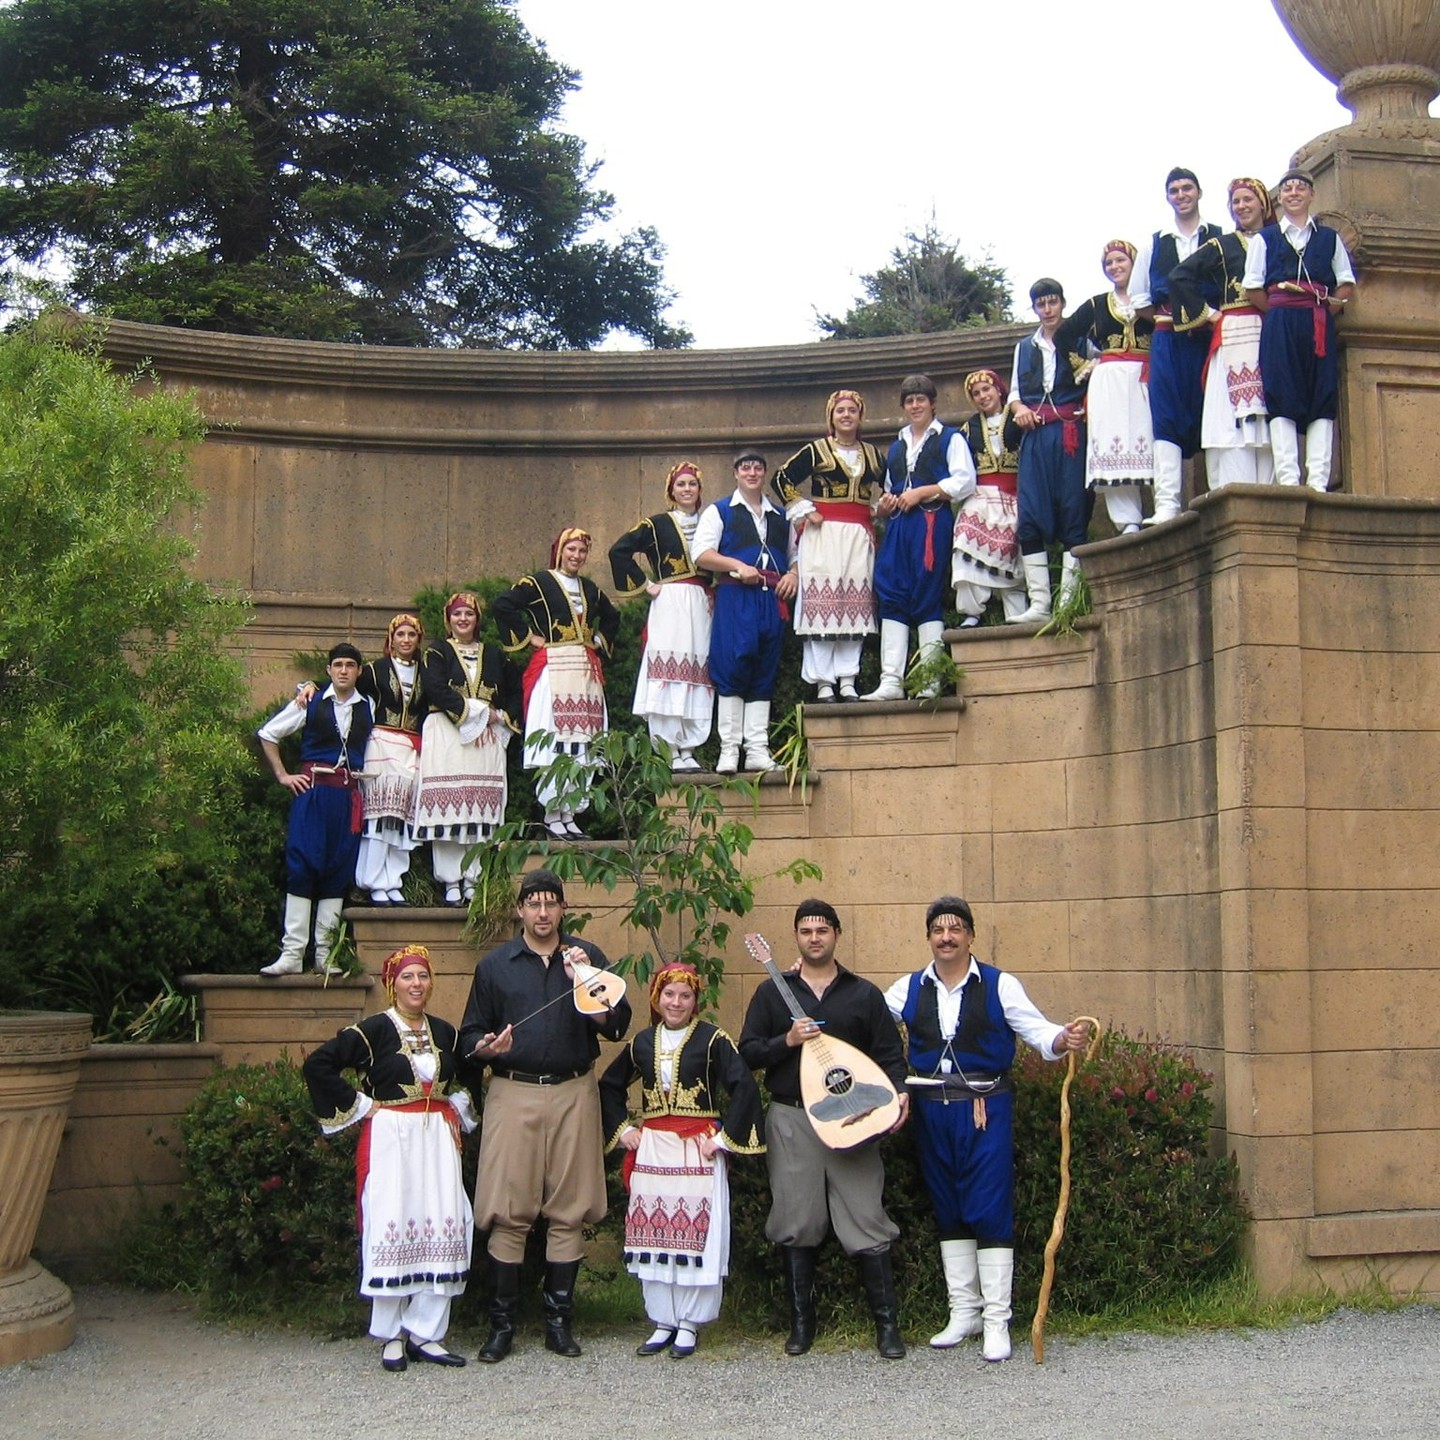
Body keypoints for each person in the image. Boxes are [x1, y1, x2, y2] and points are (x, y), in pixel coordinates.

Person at [883, 897, 1088, 1363]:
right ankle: (964, 1313)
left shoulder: (999, 984)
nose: (947, 936)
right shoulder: (910, 987)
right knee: (949, 1206)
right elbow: (867, 1016)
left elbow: (1040, 1032)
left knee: (989, 1206)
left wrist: (1064, 1038)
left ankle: (998, 1320)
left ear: (971, 935)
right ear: (929, 937)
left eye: (956, 929)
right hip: (932, 1109)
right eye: (938, 929)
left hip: (985, 1108)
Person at [458, 868, 632, 1362]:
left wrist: (586, 982)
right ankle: (503, 1325)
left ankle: (560, 1322)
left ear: (561, 910)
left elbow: (618, 1025)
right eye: (532, 904)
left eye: (550, 904)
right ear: (520, 911)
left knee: (569, 1210)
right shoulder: (496, 966)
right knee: (509, 1213)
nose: (541, 913)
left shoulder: (587, 957)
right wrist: (488, 1048)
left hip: (574, 1090)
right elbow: (470, 1035)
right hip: (514, 1092)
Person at [738, 899, 910, 1359]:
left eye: (823, 930)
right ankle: (801, 1325)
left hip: (854, 1115)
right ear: (795, 936)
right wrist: (787, 1041)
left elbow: (889, 1053)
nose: (814, 938)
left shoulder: (863, 994)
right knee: (797, 1219)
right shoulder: (772, 994)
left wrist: (898, 1093)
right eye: (806, 931)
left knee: (867, 1216)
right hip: (793, 1117)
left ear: (836, 934)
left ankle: (887, 1327)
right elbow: (748, 1052)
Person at [302, 944, 476, 1371]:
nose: (416, 984)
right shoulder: (372, 1031)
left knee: (442, 1221)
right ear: (391, 984)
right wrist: (364, 1106)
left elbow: (469, 1076)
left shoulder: (445, 1032)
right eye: (407, 977)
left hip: (437, 1141)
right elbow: (318, 1066)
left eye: (423, 976)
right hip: (391, 1140)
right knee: (393, 1222)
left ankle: (427, 1333)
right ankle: (392, 1335)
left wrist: (457, 1103)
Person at [599, 961, 764, 1359]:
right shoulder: (641, 1042)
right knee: (655, 1232)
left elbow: (743, 1086)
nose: (676, 1002)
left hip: (697, 1149)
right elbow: (608, 1084)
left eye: (685, 996)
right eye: (669, 994)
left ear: (695, 1001)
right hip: (654, 1149)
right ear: (657, 998)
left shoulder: (712, 1040)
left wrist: (723, 1139)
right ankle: (662, 1319)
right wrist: (625, 1131)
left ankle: (689, 1322)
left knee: (697, 1234)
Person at [257, 642, 374, 976]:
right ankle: (292, 953)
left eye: (350, 665)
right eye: (337, 665)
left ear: (359, 671)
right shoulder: (310, 702)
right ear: (328, 671)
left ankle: (326, 954)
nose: (343, 670)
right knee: (303, 862)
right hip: (313, 792)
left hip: (347, 797)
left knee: (338, 869)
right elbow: (269, 734)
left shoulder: (368, 706)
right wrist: (283, 775)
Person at [493, 530, 620, 838]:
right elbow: (503, 605)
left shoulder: (590, 588)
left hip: (585, 672)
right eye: (571, 549)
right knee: (557, 739)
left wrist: (599, 641)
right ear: (560, 550)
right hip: (554, 669)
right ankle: (552, 814)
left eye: (582, 551)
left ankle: (570, 813)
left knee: (582, 743)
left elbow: (612, 616)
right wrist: (529, 637)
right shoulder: (539, 582)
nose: (576, 555)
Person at [1242, 168, 1358, 491]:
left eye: (1300, 188)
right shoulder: (1265, 240)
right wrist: (1280, 311)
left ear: (1311, 194)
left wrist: (1323, 310)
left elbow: (1346, 283)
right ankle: (1289, 479)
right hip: (1279, 322)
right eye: (1288, 188)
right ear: (1280, 198)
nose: (1293, 193)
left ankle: (1318, 481)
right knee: (1281, 393)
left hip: (1318, 322)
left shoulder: (1328, 237)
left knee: (1322, 394)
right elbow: (1253, 287)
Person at [864, 375, 975, 699]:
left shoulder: (949, 439)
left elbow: (964, 481)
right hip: (899, 526)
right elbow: (889, 489)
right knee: (891, 592)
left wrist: (924, 491)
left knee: (927, 594)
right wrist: (885, 504)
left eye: (921, 400)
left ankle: (930, 681)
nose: (915, 405)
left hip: (931, 522)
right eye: (910, 401)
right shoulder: (897, 446)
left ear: (932, 403)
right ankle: (891, 682)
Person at [771, 390, 884, 702]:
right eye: (840, 411)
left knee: (854, 606)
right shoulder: (817, 450)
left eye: (851, 410)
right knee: (824, 606)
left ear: (860, 416)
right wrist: (804, 508)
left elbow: (892, 487)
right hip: (823, 535)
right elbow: (781, 479)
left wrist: (882, 506)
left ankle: (847, 680)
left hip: (858, 536)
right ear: (831, 417)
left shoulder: (872, 455)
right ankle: (823, 683)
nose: (846, 415)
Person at [691, 452, 797, 773]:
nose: (752, 472)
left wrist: (793, 574)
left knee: (764, 670)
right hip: (737, 595)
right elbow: (701, 553)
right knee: (733, 665)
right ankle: (729, 749)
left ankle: (757, 750)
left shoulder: (781, 515)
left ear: (764, 473)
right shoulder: (720, 510)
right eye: (745, 467)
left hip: (771, 598)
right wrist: (738, 565)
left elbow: (794, 555)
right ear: (735, 473)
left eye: (757, 467)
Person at [412, 592, 520, 905]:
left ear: (477, 620)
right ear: (448, 620)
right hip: (447, 732)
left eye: (469, 614)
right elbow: (434, 688)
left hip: (485, 741)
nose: (463, 619)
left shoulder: (496, 655)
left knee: (478, 808)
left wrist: (502, 717)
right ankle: (451, 882)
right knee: (450, 808)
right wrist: (476, 713)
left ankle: (473, 878)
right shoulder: (437, 652)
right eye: (457, 614)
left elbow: (515, 691)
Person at [1131, 167, 1225, 524]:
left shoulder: (1219, 238)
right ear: (1167, 197)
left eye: (1187, 188)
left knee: (1215, 410)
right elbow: (1140, 299)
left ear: (1199, 192)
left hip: (1209, 337)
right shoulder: (1154, 244)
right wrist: (1172, 317)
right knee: (1166, 415)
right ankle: (1167, 504)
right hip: (1169, 338)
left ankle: (1218, 495)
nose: (1181, 195)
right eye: (1174, 190)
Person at [1170, 177, 1277, 488]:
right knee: (1231, 412)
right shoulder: (1222, 245)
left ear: (1263, 203)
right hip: (1234, 331)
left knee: (1270, 410)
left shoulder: (1279, 241)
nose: (1241, 206)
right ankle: (1235, 485)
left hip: (1271, 330)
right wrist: (1210, 314)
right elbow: (1180, 276)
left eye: (1248, 199)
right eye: (1236, 202)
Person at [608, 462, 714, 770]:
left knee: (697, 670)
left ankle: (689, 748)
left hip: (702, 603)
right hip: (670, 601)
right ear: (671, 490)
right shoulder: (656, 524)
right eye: (680, 484)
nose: (686, 490)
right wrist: (645, 585)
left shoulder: (711, 522)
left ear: (699, 489)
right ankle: (668, 748)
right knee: (670, 669)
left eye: (692, 484)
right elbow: (619, 551)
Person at [1008, 280, 1093, 623]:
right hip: (1035, 436)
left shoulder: (1080, 339)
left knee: (1074, 507)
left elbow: (1101, 369)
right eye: (1041, 303)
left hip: (1070, 433)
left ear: (1062, 303)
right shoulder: (1024, 347)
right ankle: (1040, 604)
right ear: (1034, 308)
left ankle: (1067, 602)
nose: (1048, 309)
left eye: (1053, 302)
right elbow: (1014, 392)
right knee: (1029, 514)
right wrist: (1018, 411)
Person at [1057, 241, 1154, 534]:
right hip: (1108, 381)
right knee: (1114, 442)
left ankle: (1163, 507)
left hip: (1146, 375)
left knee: (1151, 438)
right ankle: (1127, 521)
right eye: (1109, 262)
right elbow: (1064, 335)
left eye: (1120, 260)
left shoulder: (1151, 298)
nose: (1115, 266)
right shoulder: (1097, 304)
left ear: (1134, 263)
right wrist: (1081, 366)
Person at [354, 613, 430, 905]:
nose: (406, 640)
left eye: (412, 635)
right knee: (380, 814)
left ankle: (393, 881)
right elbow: (343, 686)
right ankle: (372, 881)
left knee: (403, 816)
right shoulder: (375, 670)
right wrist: (309, 686)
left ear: (418, 639)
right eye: (401, 635)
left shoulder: (425, 673)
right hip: (382, 744)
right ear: (391, 639)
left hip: (412, 747)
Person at [951, 369, 1025, 625]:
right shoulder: (967, 429)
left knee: (1015, 555)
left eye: (986, 389)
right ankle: (972, 612)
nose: (982, 396)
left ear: (998, 389)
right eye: (976, 393)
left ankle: (1017, 613)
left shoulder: (1018, 417)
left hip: (1014, 496)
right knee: (964, 541)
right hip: (981, 496)